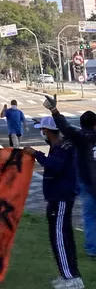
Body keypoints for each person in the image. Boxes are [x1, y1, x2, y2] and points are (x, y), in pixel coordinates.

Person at [33, 116, 84, 289]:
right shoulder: (59, 145)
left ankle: (70, 277)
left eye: (43, 130)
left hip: (61, 198)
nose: (42, 133)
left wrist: (35, 154)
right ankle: (69, 274)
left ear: (47, 131)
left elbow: (55, 166)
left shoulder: (62, 147)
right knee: (64, 238)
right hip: (58, 197)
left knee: (60, 239)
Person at [46, 96, 96, 259]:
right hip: (87, 180)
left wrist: (54, 111)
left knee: (89, 216)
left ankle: (92, 248)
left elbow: (65, 128)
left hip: (87, 181)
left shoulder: (81, 137)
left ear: (81, 125)